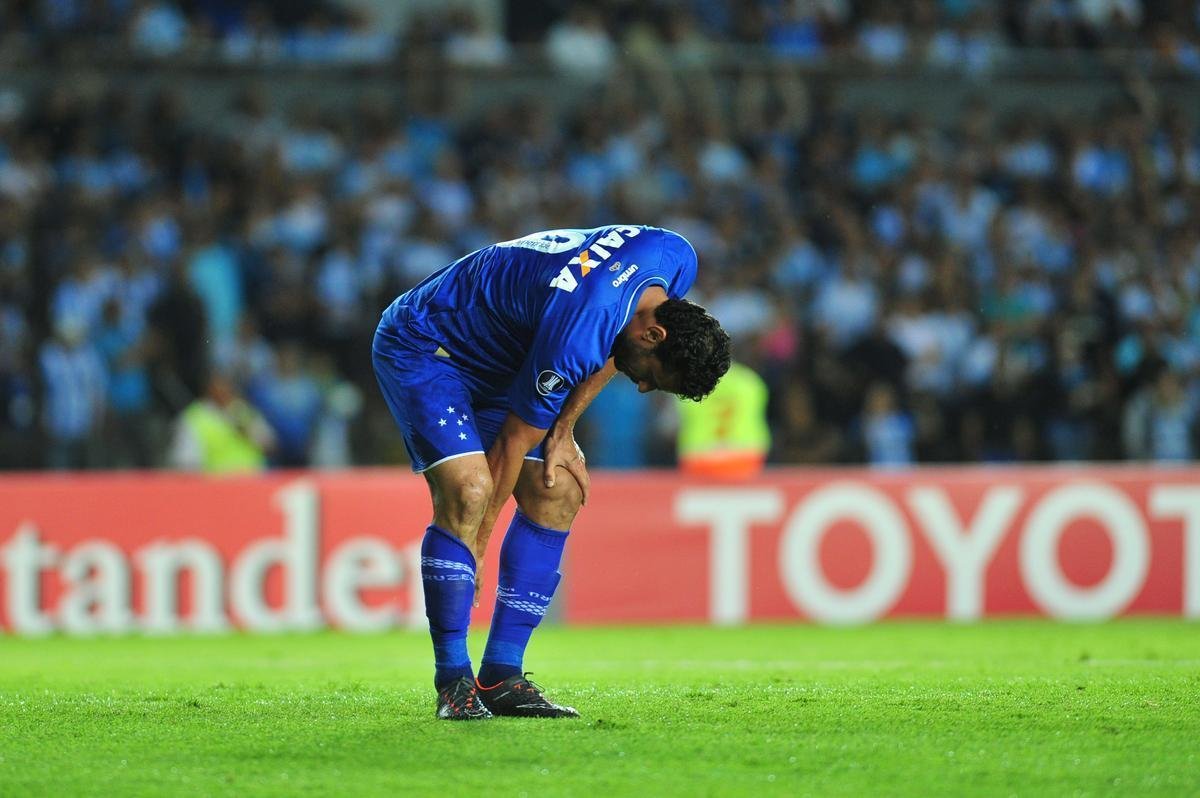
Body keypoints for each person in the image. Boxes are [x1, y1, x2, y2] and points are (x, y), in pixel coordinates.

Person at [372, 225, 731, 720]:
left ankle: (502, 675)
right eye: (651, 377)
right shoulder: (582, 324)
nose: (644, 388)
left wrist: (564, 426)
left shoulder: (674, 257)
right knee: (471, 490)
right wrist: (477, 544)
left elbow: (614, 336)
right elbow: (514, 442)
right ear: (656, 335)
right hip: (430, 348)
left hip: (512, 361)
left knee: (558, 490)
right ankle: (453, 681)